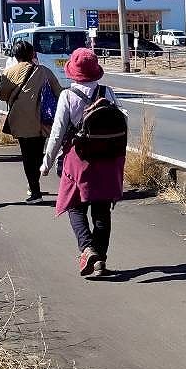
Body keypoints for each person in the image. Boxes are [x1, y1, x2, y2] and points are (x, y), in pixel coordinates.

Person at [41, 48, 125, 277]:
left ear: (73, 72)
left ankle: (87, 249)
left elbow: (57, 133)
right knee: (102, 211)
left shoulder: (68, 96)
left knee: (74, 206)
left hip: (78, 159)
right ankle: (100, 260)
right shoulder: (107, 92)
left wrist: (47, 162)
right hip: (107, 159)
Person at [0, 39, 63, 204]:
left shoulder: (9, 72)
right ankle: (34, 184)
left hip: (21, 119)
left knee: (27, 155)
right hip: (43, 120)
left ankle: (35, 191)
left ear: (15, 55)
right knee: (38, 153)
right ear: (33, 54)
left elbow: (1, 94)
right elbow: (58, 92)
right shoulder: (45, 71)